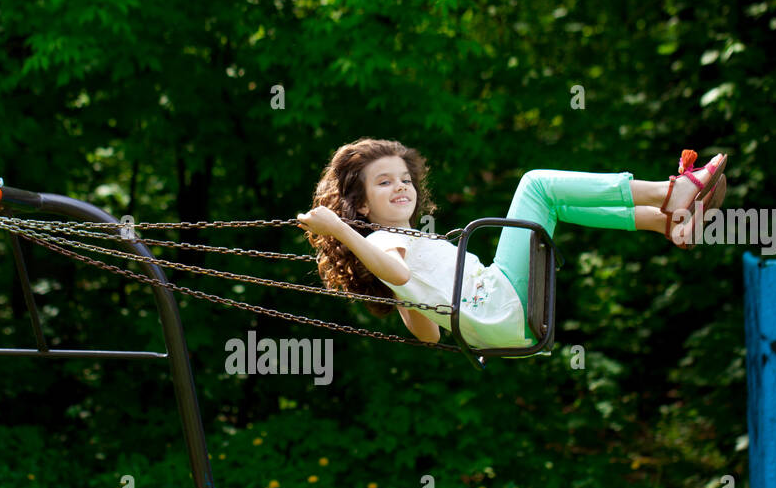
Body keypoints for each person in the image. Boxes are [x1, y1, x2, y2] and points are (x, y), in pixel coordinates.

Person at [296, 137, 727, 349]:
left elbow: (427, 335)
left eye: (404, 179)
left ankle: (662, 222)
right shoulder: (389, 241)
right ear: (362, 207)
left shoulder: (406, 244)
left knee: (552, 205)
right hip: (506, 302)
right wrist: (340, 230)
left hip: (509, 327)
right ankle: (672, 193)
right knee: (536, 184)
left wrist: (408, 297)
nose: (400, 187)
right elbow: (398, 270)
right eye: (384, 182)